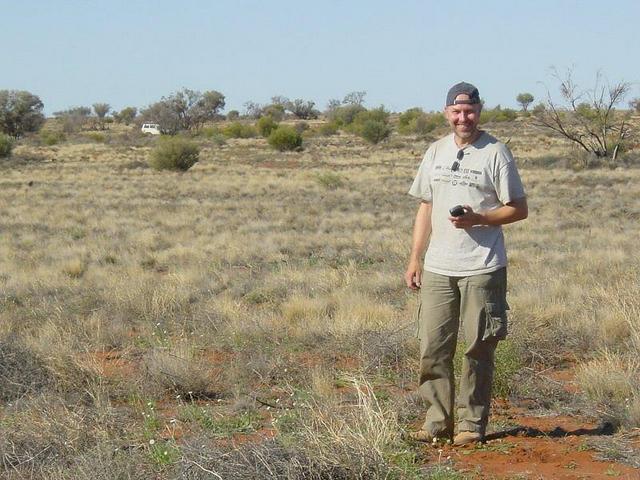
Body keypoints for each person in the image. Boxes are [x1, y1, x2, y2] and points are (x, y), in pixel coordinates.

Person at [404, 82, 528, 446]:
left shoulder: (496, 153)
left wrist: (481, 219)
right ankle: (437, 422)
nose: (463, 118)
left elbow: (519, 208)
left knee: (478, 348)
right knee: (433, 347)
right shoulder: (435, 151)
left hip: (482, 265)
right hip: (439, 267)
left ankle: (471, 425)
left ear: (479, 111)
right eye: (457, 112)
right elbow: (425, 206)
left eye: (470, 111)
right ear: (446, 113)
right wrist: (415, 258)